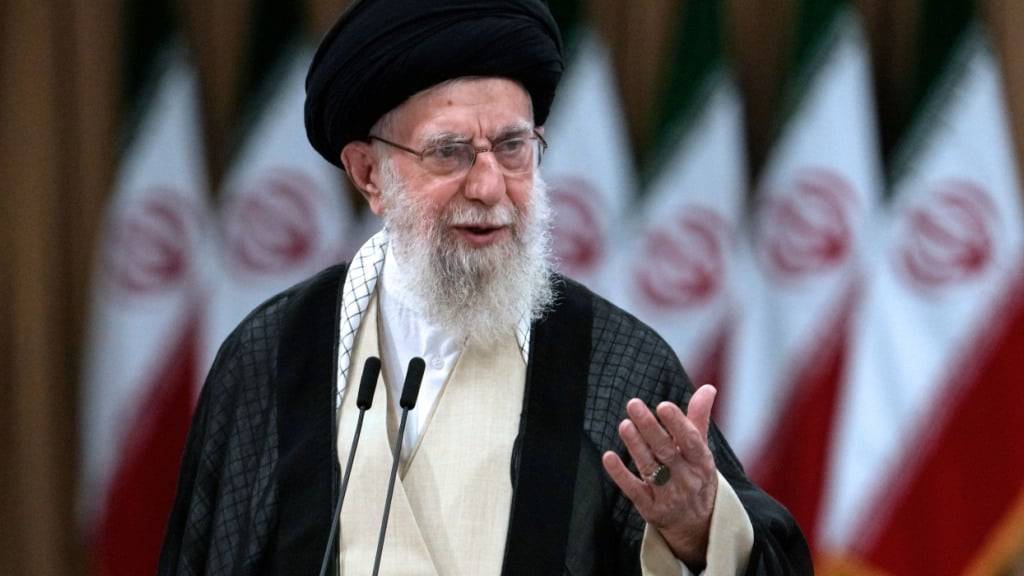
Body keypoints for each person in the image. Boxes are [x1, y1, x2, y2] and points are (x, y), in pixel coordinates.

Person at [159, 1, 811, 574]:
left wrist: (697, 536)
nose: (488, 185)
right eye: (449, 152)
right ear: (369, 175)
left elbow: (756, 556)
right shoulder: (274, 356)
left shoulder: (612, 367)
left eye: (512, 147)